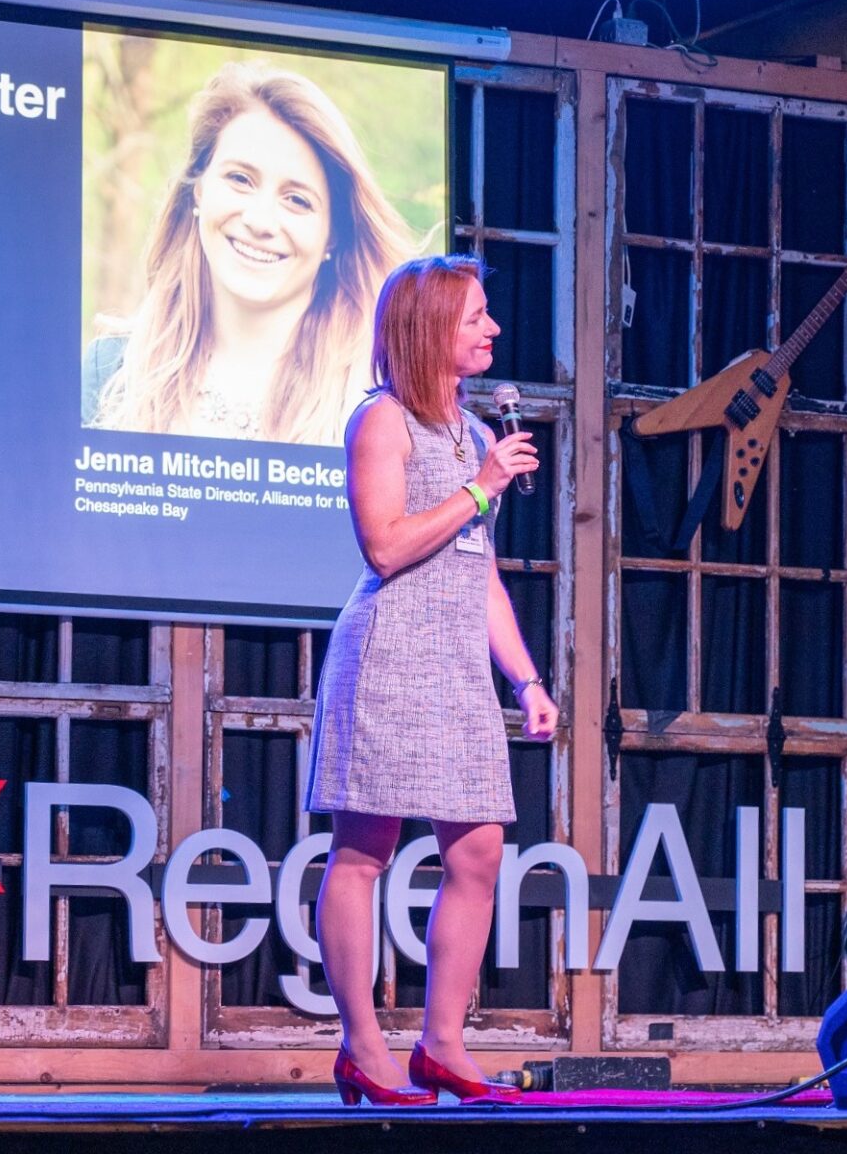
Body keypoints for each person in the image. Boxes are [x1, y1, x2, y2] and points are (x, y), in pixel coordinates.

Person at [305, 255, 557, 1105]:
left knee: (480, 848)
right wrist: (480, 490)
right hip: (389, 653)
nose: (491, 329)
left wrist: (524, 679)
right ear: (429, 331)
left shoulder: (476, 435)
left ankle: (442, 1042)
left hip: (457, 664)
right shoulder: (382, 422)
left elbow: (479, 574)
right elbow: (384, 546)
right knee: (364, 850)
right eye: (476, 317)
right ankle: (363, 1045)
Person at [83, 63, 415, 445]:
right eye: (240, 179)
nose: (260, 221)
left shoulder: (380, 401)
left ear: (333, 236)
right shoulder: (110, 371)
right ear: (199, 190)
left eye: (297, 200)